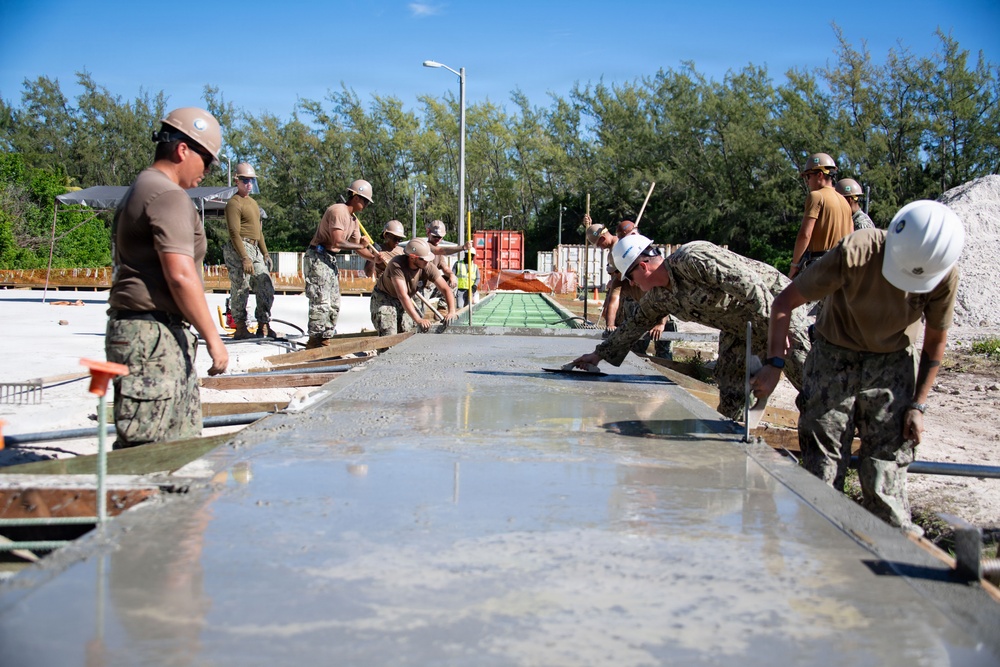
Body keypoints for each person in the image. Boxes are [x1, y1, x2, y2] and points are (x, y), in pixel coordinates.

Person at [751, 200, 964, 533]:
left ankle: (893, 554)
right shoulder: (856, 252)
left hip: (892, 365)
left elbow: (936, 341)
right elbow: (784, 302)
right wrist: (775, 363)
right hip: (834, 357)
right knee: (822, 463)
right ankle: (822, 546)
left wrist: (917, 405)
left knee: (886, 466)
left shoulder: (942, 274)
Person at [573, 234, 812, 421]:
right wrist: (598, 355)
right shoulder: (659, 296)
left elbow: (752, 288)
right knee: (730, 387)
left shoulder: (693, 259)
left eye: (629, 276)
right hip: (738, 326)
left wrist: (776, 344)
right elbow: (635, 325)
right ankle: (732, 444)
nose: (630, 284)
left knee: (810, 381)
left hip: (780, 311)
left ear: (643, 266)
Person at [105, 107, 229, 449]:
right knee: (151, 456)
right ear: (183, 150)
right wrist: (212, 337)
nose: (207, 170)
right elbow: (180, 274)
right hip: (151, 337)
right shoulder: (168, 195)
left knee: (176, 450)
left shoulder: (143, 187)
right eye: (207, 160)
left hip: (146, 332)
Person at [304, 179, 379, 349]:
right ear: (354, 196)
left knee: (334, 303)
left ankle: (325, 339)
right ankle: (314, 341)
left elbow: (358, 248)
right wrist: (361, 245)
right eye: (364, 200)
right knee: (321, 301)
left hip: (329, 260)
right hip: (318, 257)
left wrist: (374, 258)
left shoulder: (353, 221)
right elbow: (338, 242)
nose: (366, 204)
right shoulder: (338, 211)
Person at [223, 162, 277, 339]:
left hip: (254, 247)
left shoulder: (253, 203)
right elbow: (233, 232)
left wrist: (265, 253)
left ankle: (263, 323)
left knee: (265, 283)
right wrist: (244, 257)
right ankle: (240, 326)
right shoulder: (234, 203)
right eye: (245, 180)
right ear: (237, 181)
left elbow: (258, 231)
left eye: (251, 181)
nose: (249, 184)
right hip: (240, 247)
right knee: (241, 286)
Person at [370, 238, 457, 335]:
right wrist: (419, 320)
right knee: (389, 333)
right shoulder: (397, 265)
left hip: (405, 298)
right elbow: (402, 295)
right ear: (412, 257)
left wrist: (451, 311)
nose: (427, 262)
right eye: (423, 259)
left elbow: (446, 289)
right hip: (386, 298)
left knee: (406, 331)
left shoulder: (427, 266)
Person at [789, 152, 853, 278]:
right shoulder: (844, 201)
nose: (807, 181)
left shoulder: (816, 196)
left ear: (820, 174)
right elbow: (851, 236)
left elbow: (805, 234)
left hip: (821, 265)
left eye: (808, 176)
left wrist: (794, 265)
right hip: (843, 266)